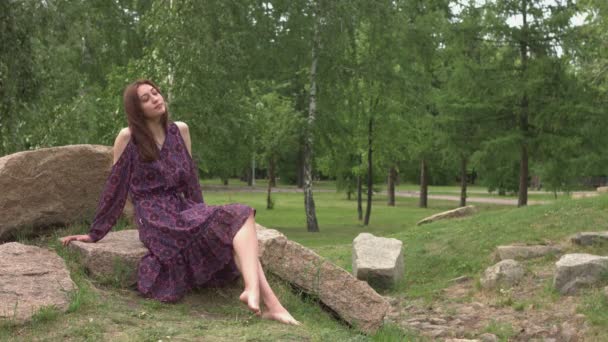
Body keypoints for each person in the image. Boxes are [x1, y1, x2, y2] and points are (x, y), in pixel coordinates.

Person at [60, 79, 299, 325]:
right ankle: (270, 303)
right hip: (154, 216)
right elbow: (115, 188)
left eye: (155, 92)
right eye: (146, 98)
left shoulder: (180, 130)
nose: (155, 98)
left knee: (239, 217)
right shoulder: (128, 137)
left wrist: (204, 215)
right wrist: (95, 233)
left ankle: (262, 298)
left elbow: (191, 180)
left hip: (182, 207)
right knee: (238, 218)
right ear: (136, 109)